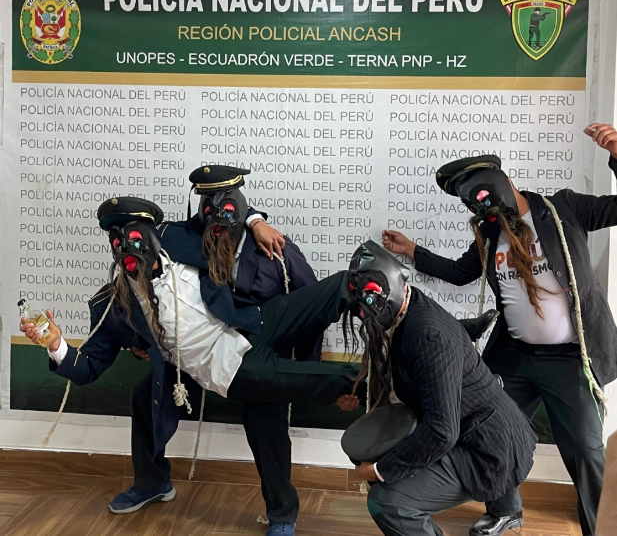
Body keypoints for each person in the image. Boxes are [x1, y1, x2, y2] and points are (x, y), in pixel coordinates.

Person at [21, 197, 361, 524]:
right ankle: (362, 387)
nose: (127, 248)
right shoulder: (113, 305)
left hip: (253, 322)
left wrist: (255, 220)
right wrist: (55, 344)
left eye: (135, 238)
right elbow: (86, 367)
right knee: (152, 397)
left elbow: (220, 202)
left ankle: (381, 307)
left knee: (342, 286)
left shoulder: (183, 241)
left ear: (154, 235)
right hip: (218, 364)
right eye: (117, 242)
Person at [382, 123, 617, 536]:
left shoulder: (563, 209)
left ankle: (602, 530)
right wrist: (413, 251)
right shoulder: (491, 235)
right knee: (488, 431)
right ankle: (506, 510)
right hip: (516, 357)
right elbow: (461, 273)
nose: (481, 210)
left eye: (483, 197)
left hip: (570, 359)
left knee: (585, 449)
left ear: (505, 182)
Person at [130, 165, 325, 535]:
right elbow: (141, 253)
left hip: (257, 351)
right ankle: (152, 482)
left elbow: (310, 307)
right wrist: (142, 342)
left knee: (265, 420)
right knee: (146, 395)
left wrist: (304, 369)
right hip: (203, 349)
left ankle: (282, 514)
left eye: (226, 210)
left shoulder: (277, 252)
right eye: (208, 207)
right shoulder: (181, 239)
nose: (216, 221)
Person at [343, 241, 536, 536]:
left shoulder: (428, 335)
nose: (361, 314)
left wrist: (382, 470)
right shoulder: (410, 307)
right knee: (369, 455)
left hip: (487, 447)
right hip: (473, 427)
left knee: (387, 501)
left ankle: (501, 508)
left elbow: (442, 431)